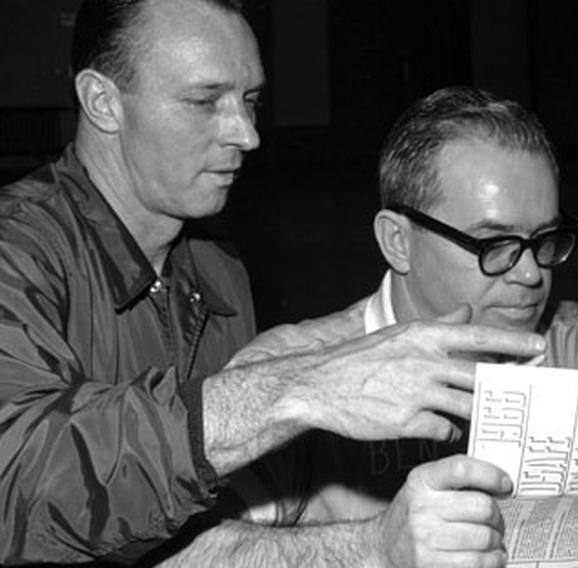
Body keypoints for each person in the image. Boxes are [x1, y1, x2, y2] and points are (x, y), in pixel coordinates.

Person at [0, 1, 547, 565]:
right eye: (204, 101)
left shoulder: (215, 265)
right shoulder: (16, 250)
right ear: (102, 102)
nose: (246, 134)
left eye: (250, 101)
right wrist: (297, 386)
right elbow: (21, 479)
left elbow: (202, 537)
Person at [179, 85, 578, 565]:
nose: (530, 274)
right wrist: (371, 547)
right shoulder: (291, 374)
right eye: (493, 244)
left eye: (547, 239)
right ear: (397, 241)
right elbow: (178, 556)